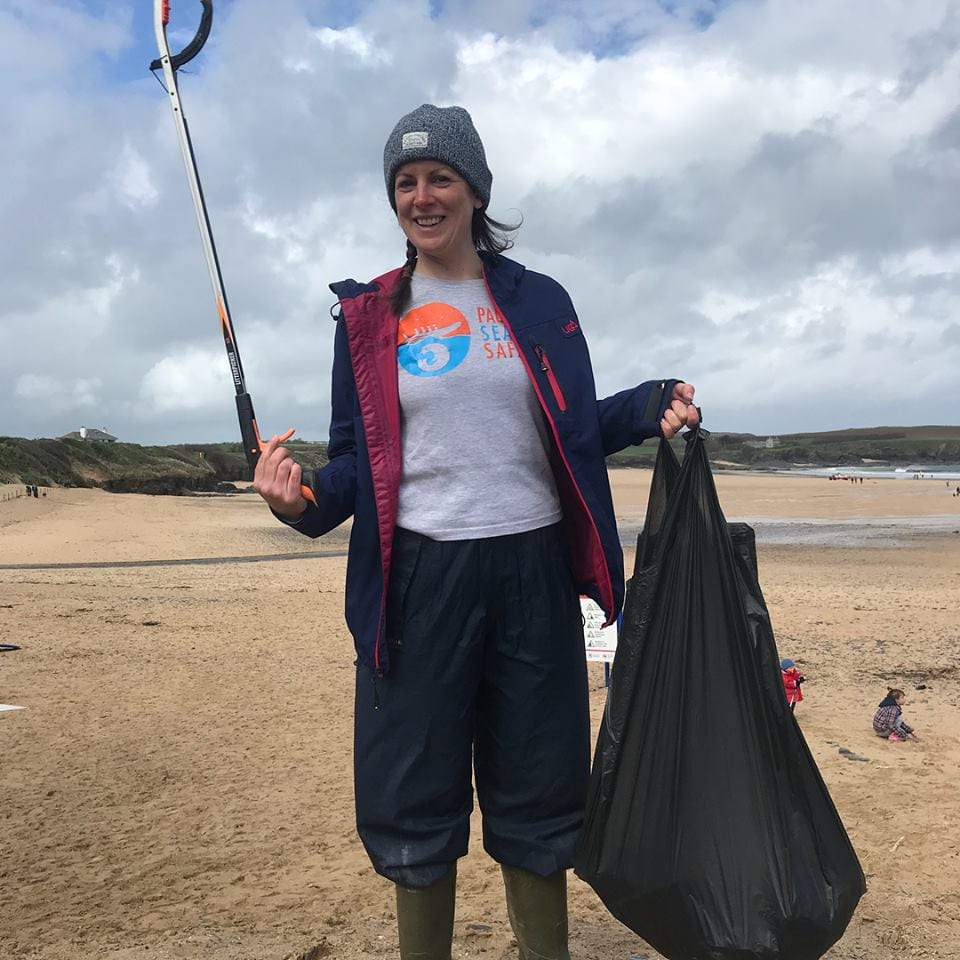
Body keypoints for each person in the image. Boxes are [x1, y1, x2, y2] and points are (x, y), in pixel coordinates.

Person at [253, 104, 700, 960]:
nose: (422, 197)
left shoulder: (539, 301)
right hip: (418, 580)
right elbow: (354, 465)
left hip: (532, 573)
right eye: (405, 183)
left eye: (439, 178)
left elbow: (572, 427)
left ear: (474, 189)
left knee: (540, 787)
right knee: (414, 797)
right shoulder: (369, 318)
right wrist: (300, 498)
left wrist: (649, 405)